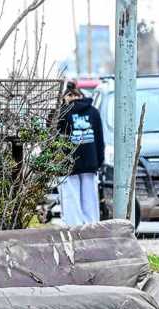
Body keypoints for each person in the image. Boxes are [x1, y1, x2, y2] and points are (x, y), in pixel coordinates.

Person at [56, 81, 105, 226]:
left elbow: (53, 135)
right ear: (81, 95)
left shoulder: (62, 113)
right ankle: (91, 228)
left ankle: (75, 230)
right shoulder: (93, 112)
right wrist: (98, 162)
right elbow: (99, 140)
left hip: (68, 164)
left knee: (71, 201)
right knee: (90, 201)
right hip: (90, 163)